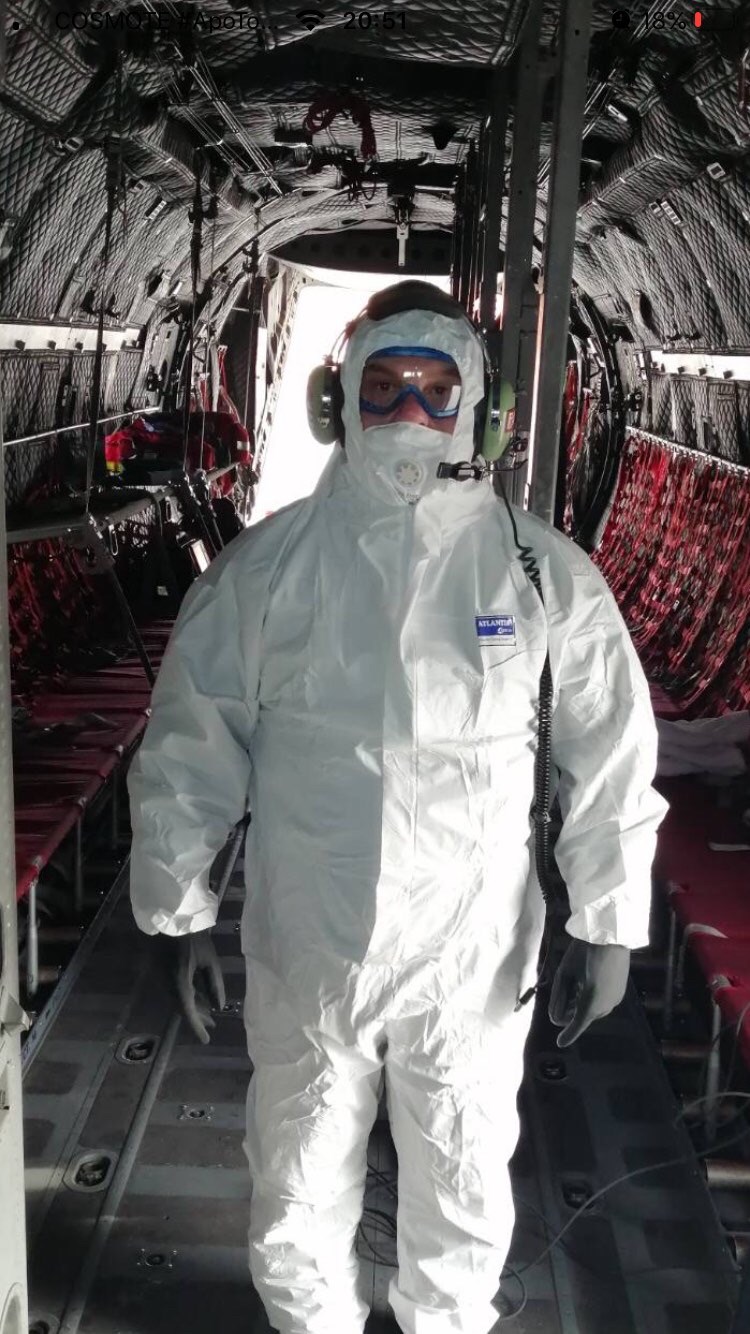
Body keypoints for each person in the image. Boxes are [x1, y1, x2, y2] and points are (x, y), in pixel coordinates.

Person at [128, 280, 668, 1334]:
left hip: (473, 952)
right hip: (312, 944)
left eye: (435, 387)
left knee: (463, 1179)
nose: (411, 413)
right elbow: (191, 745)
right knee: (294, 1180)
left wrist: (608, 918)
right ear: (337, 401)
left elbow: (608, 749)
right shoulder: (268, 570)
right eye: (385, 387)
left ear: (481, 407)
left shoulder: (542, 576)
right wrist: (175, 909)